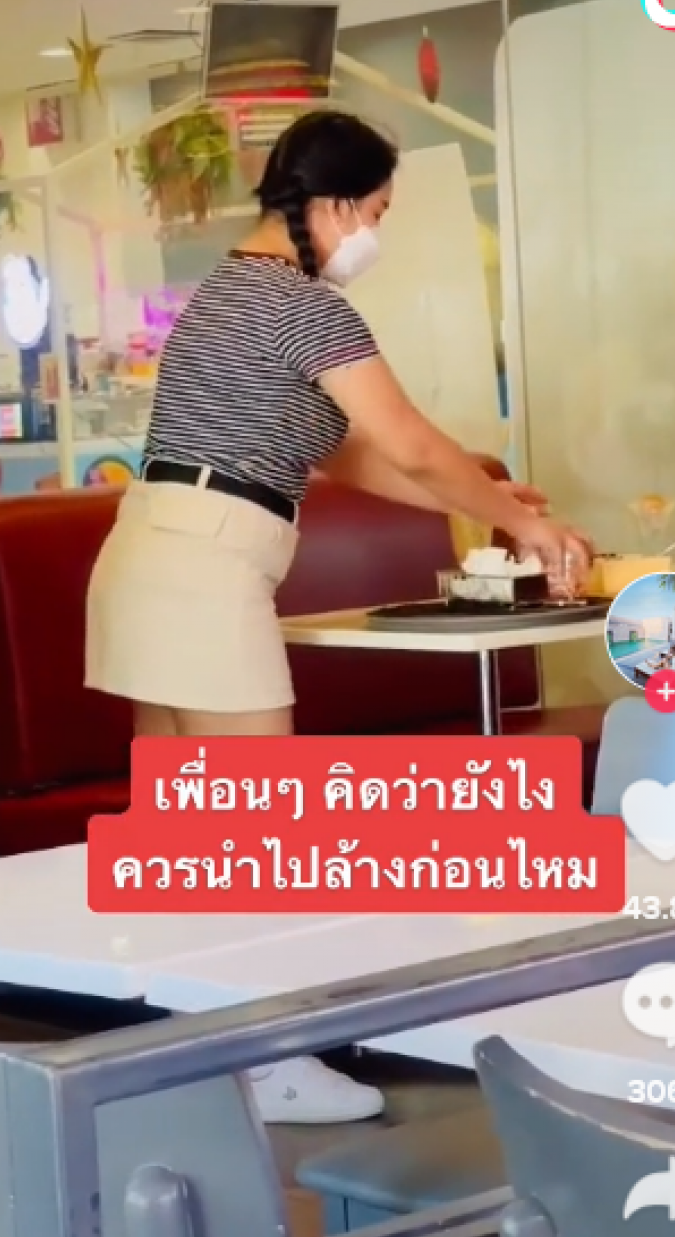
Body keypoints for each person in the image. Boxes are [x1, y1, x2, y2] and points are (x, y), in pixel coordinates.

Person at [85, 110, 591, 1125]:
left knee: (192, 836)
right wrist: (523, 526)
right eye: (379, 211)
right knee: (261, 833)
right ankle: (272, 1063)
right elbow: (404, 440)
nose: (376, 233)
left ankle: (196, 1058)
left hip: (150, 555)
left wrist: (491, 497)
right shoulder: (303, 304)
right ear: (335, 204)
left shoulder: (229, 290)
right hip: (205, 566)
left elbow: (349, 454)